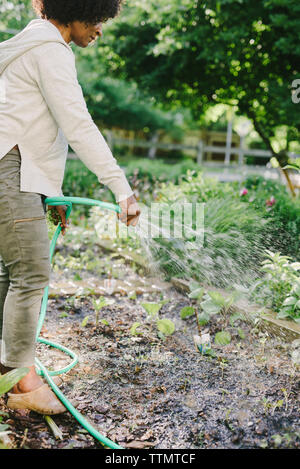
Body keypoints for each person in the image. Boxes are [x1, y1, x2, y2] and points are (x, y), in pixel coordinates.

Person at [0, 0, 141, 414]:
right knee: (31, 272)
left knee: (12, 273)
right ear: (75, 9)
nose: (99, 29)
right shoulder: (50, 51)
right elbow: (77, 124)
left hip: (14, 169)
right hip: (11, 170)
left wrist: (49, 192)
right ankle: (21, 378)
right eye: (96, 19)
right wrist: (121, 188)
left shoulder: (29, 45)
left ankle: (7, 366)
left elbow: (31, 125)